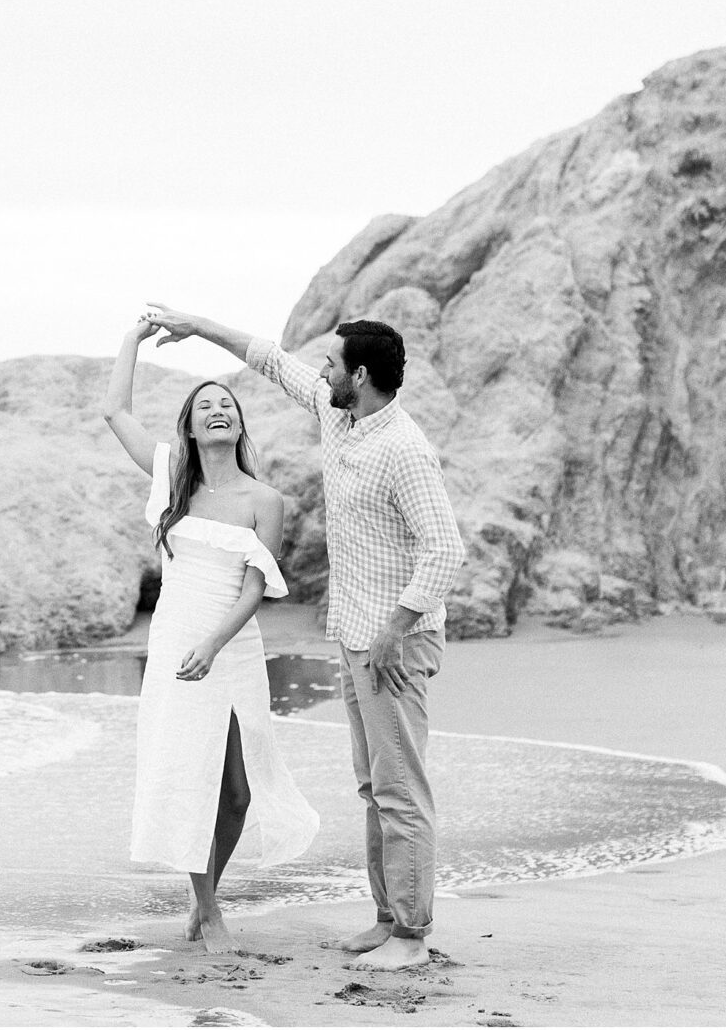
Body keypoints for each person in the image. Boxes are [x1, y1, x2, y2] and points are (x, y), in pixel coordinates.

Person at [145, 305, 465, 970]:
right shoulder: (339, 415)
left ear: (363, 374)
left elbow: (445, 552)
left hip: (393, 643)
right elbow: (269, 359)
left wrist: (394, 629)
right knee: (373, 787)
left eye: (332, 364)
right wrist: (198, 326)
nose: (321, 373)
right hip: (356, 637)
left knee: (400, 788)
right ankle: (386, 919)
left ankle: (411, 934)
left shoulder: (403, 451)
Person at [103, 315, 319, 952]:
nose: (218, 411)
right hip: (176, 642)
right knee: (191, 775)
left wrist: (215, 644)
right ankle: (208, 909)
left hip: (231, 645)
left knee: (237, 791)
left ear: (239, 425)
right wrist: (132, 339)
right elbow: (114, 410)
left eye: (227, 404)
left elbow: (257, 590)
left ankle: (206, 900)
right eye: (206, 407)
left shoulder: (265, 500)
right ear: (191, 427)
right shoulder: (171, 478)